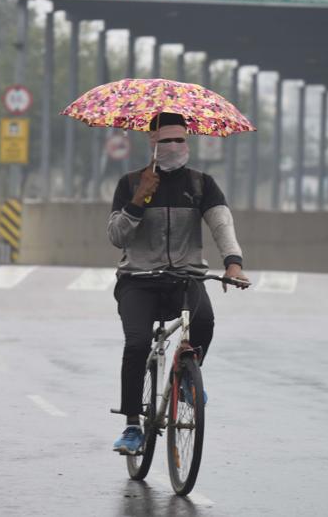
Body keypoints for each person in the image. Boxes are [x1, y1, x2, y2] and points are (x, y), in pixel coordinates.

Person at [107, 113, 250, 455]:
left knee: (204, 321)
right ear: (152, 143)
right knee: (137, 343)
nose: (175, 146)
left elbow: (221, 225)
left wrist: (233, 264)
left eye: (181, 139)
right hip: (138, 280)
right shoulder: (130, 183)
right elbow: (116, 237)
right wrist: (138, 200)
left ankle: (186, 379)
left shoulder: (201, 184)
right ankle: (131, 425)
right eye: (166, 140)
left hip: (186, 277)